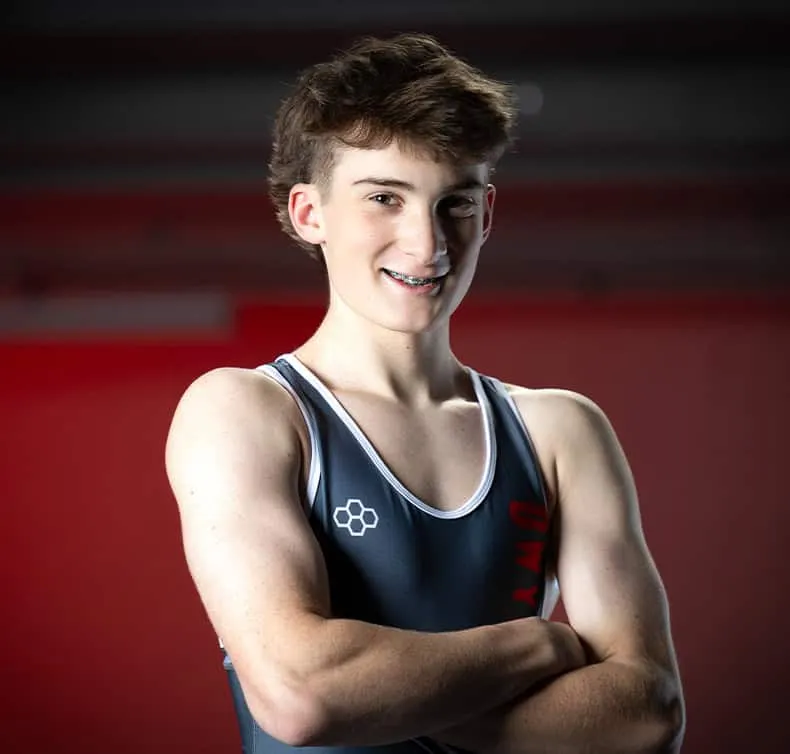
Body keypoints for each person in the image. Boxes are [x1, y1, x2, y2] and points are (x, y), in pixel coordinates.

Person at [165, 33, 685, 754]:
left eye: (455, 204)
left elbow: (648, 714)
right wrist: (540, 648)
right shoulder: (246, 412)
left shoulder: (560, 431)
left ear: (488, 211)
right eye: (385, 197)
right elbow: (302, 695)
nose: (427, 244)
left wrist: (377, 690)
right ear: (310, 213)